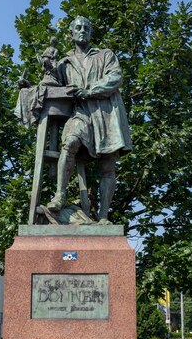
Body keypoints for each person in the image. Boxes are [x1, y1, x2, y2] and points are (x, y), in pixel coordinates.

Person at [47, 16, 132, 223]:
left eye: (86, 27)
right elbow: (51, 84)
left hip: (106, 114)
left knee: (108, 166)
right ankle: (60, 195)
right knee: (70, 142)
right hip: (81, 113)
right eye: (78, 27)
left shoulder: (105, 55)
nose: (82, 30)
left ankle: (103, 215)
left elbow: (115, 77)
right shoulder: (64, 63)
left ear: (90, 32)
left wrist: (89, 90)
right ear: (71, 34)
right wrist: (46, 67)